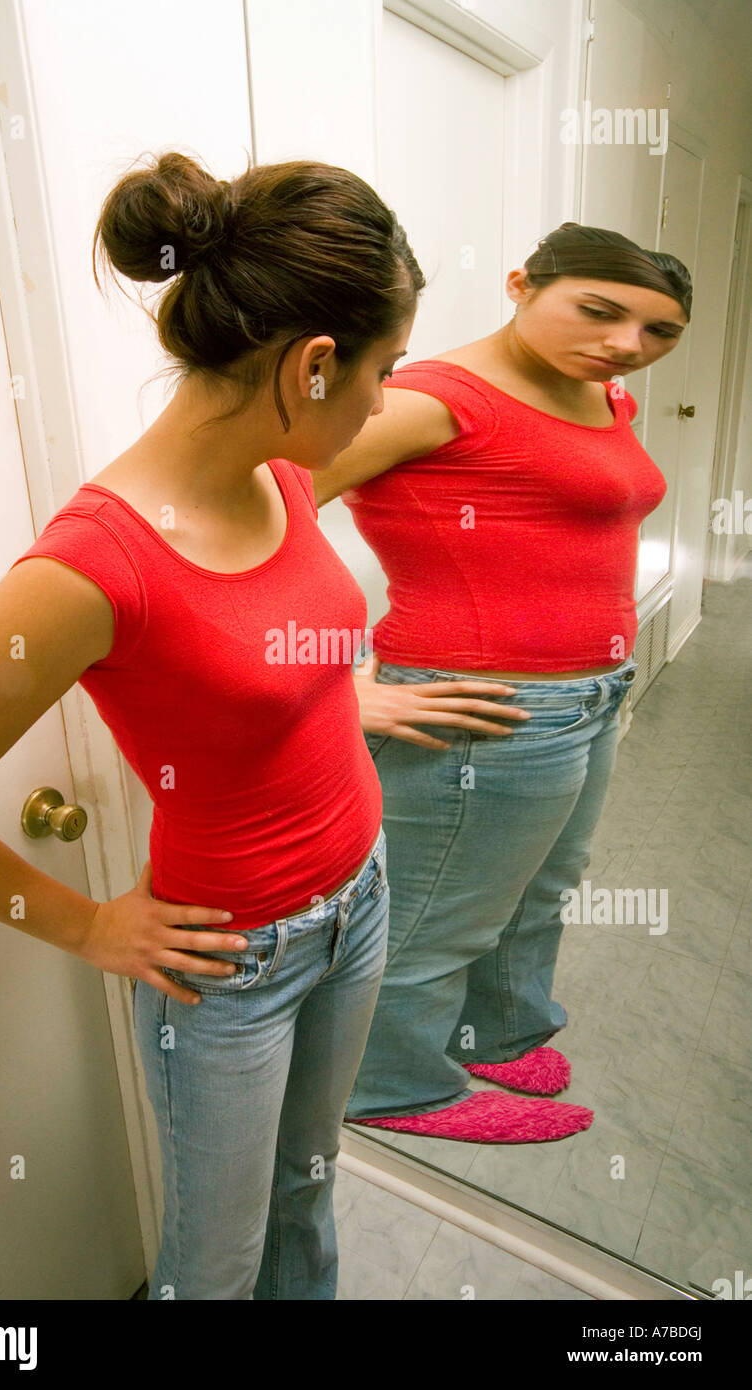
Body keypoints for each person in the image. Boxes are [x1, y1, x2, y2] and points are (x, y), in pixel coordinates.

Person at [0, 149, 444, 1301]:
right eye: (385, 370)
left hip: (361, 899)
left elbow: (264, 651)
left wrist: (347, 693)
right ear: (314, 364)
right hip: (234, 965)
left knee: (309, 1183)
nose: (387, 399)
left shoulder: (286, 473)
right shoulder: (90, 569)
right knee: (215, 1262)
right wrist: (90, 926)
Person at [310, 223, 692, 1143]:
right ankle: (387, 1085)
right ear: (521, 283)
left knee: (543, 884)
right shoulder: (433, 400)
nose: (626, 346)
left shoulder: (599, 393)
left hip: (591, 692)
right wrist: (329, 683)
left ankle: (498, 1028)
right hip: (483, 704)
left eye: (657, 333)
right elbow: (246, 507)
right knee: (442, 908)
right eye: (599, 312)